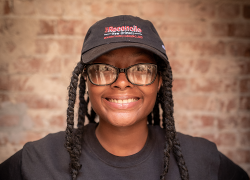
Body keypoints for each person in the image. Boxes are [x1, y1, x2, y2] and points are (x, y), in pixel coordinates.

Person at [0, 15, 249, 180]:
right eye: (104, 69)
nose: (121, 82)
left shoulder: (202, 161)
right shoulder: (37, 161)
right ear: (86, 80)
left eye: (141, 69)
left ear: (160, 81)